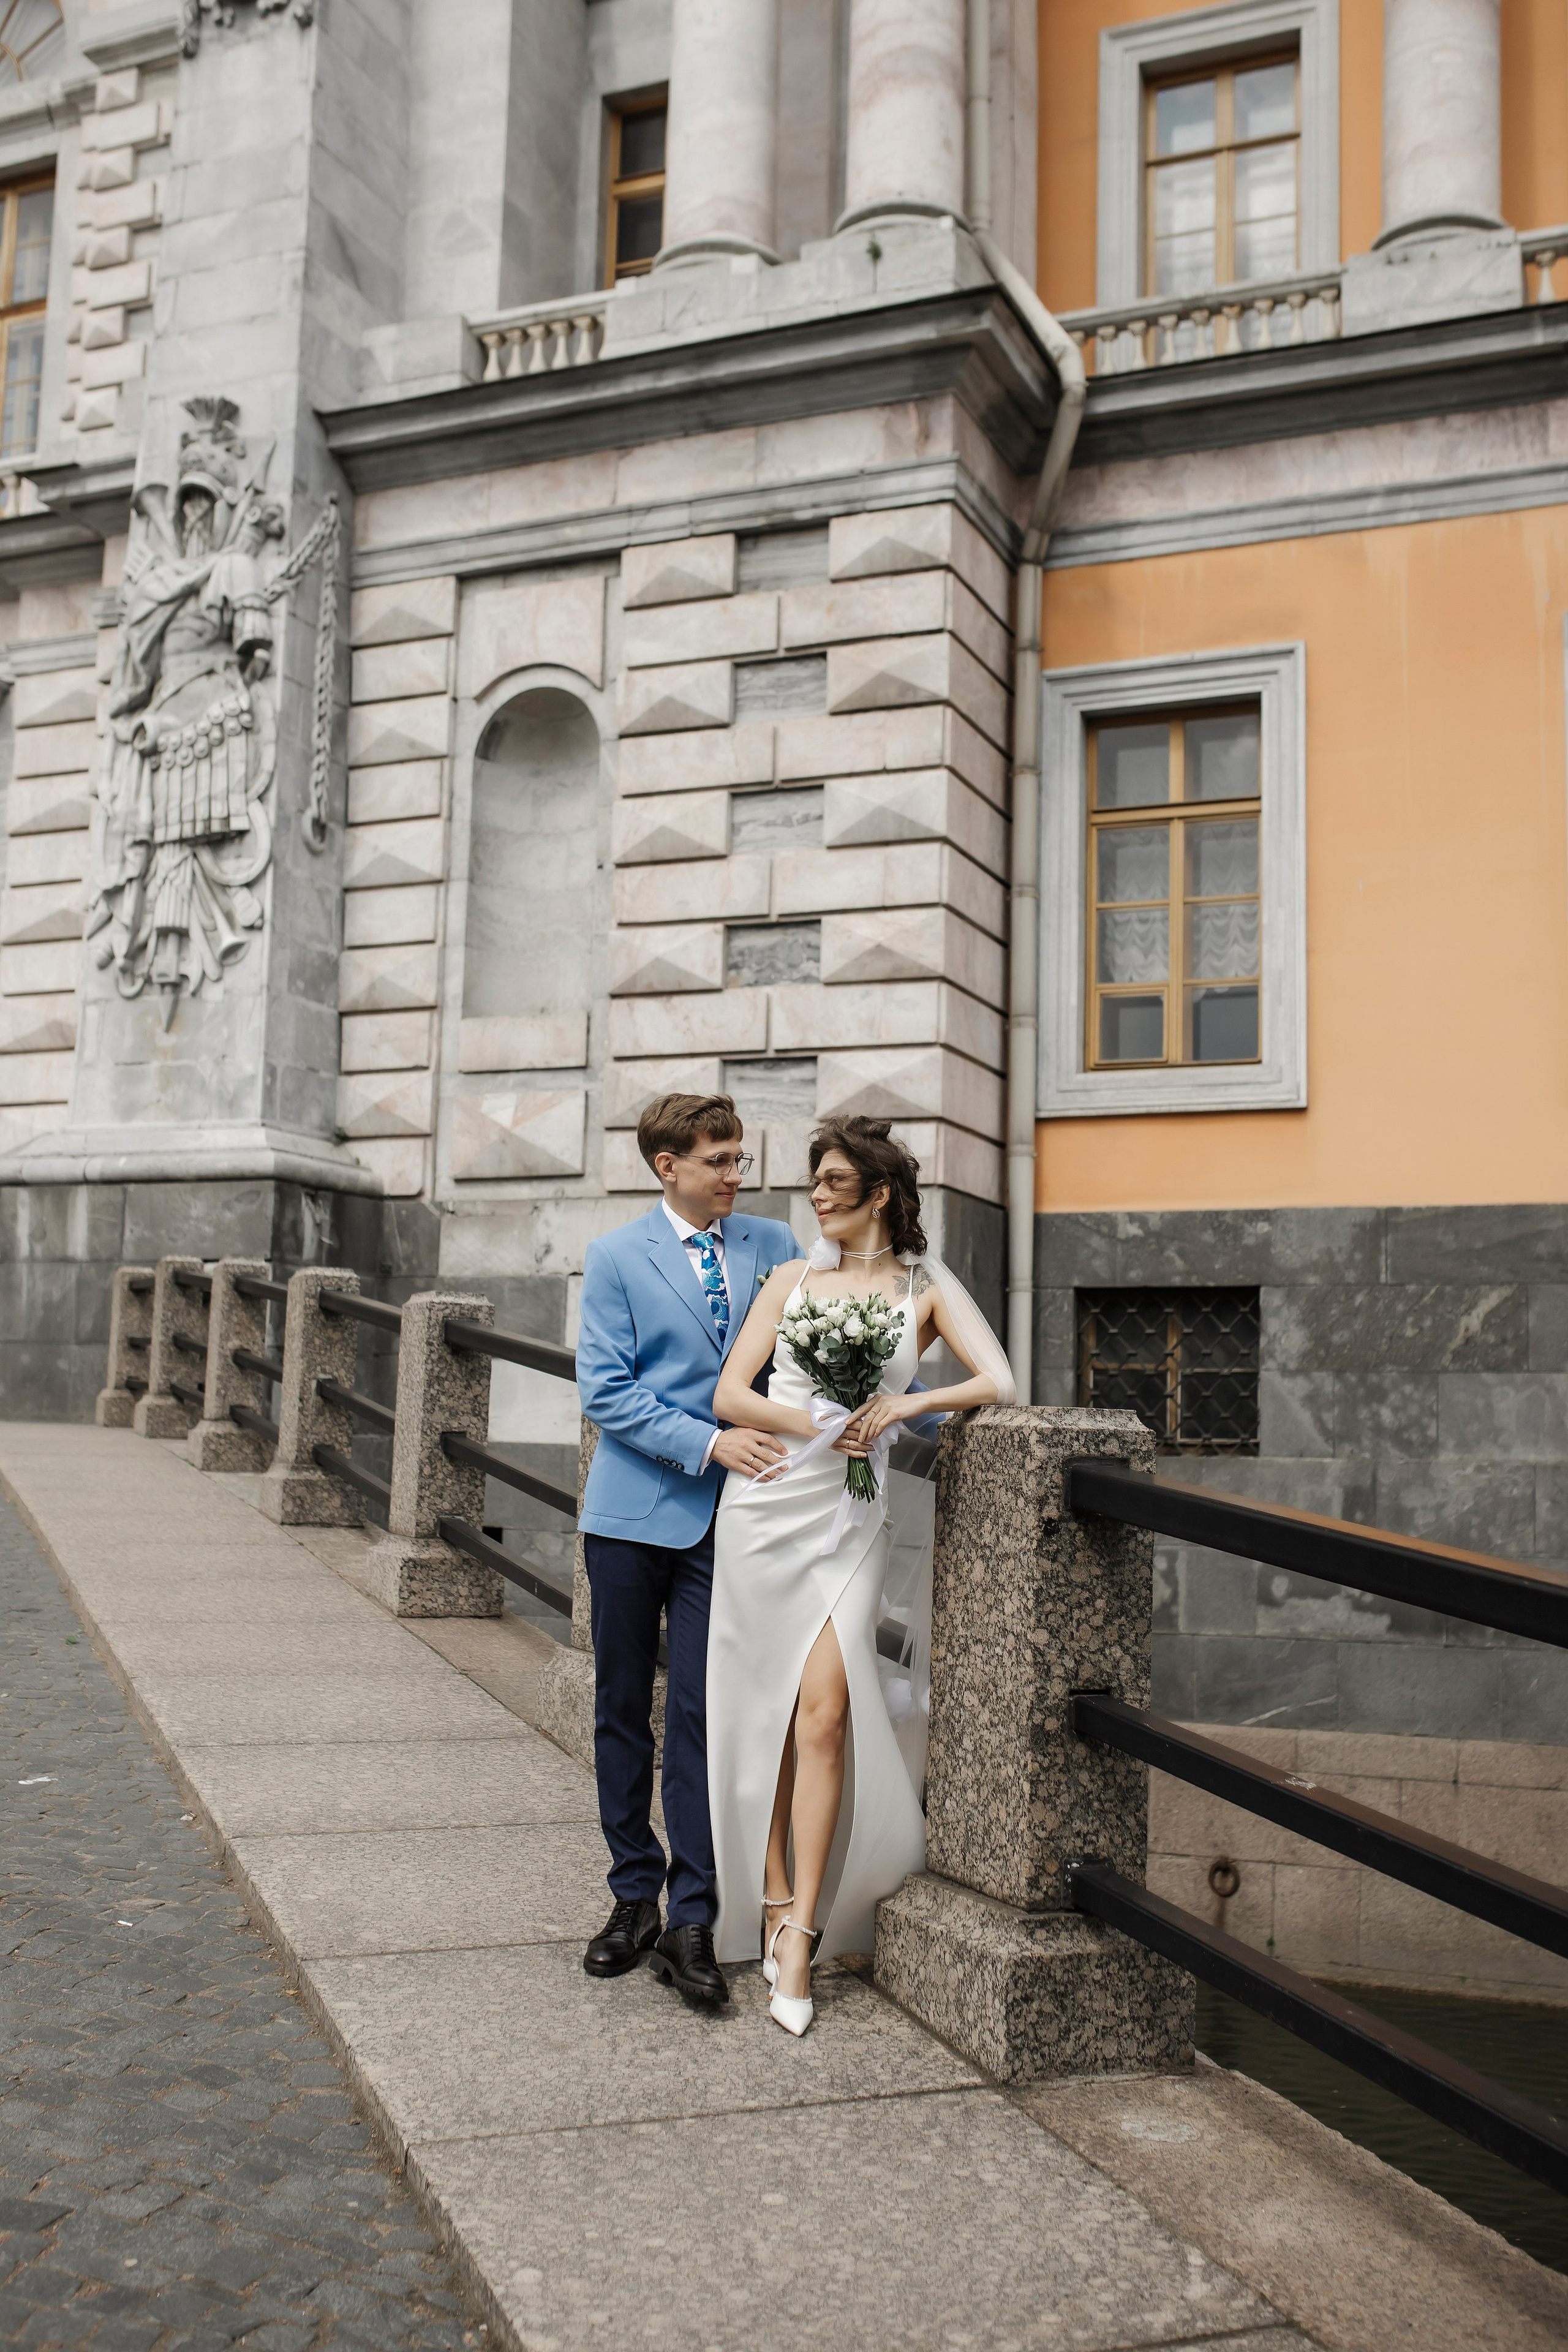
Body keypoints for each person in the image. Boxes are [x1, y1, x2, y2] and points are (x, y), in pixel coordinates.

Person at [707, 1117, 1014, 2035]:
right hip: (766, 1507)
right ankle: (766, 1896)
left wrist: (902, 1404)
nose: (818, 1195)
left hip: (851, 1517)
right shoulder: (789, 1281)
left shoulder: (924, 1290)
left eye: (836, 1181)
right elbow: (730, 1395)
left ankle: (802, 1931)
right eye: (815, 1181)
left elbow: (996, 1379)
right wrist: (816, 1418)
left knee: (826, 1714)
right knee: (762, 1706)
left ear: (879, 1194)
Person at [574, 1092, 801, 2004]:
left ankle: (693, 1916)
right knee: (623, 1706)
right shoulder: (616, 1258)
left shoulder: (775, 1247)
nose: (737, 1175)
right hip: (632, 1515)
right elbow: (607, 1391)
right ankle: (633, 1897)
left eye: (740, 1158)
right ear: (669, 1166)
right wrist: (708, 1441)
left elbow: (811, 1358)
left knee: (704, 1717)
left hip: (738, 1521)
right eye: (720, 1161)